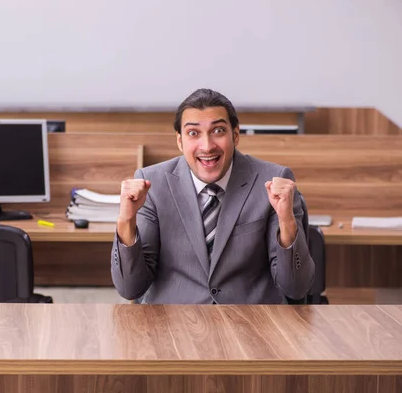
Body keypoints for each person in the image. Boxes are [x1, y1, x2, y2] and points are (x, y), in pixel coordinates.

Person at [111, 88, 315, 304]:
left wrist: (287, 222)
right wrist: (126, 221)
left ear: (235, 135)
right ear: (180, 141)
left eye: (218, 131)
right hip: (173, 325)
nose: (207, 146)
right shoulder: (152, 184)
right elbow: (130, 288)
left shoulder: (273, 181)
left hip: (251, 325)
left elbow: (296, 288)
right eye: (193, 133)